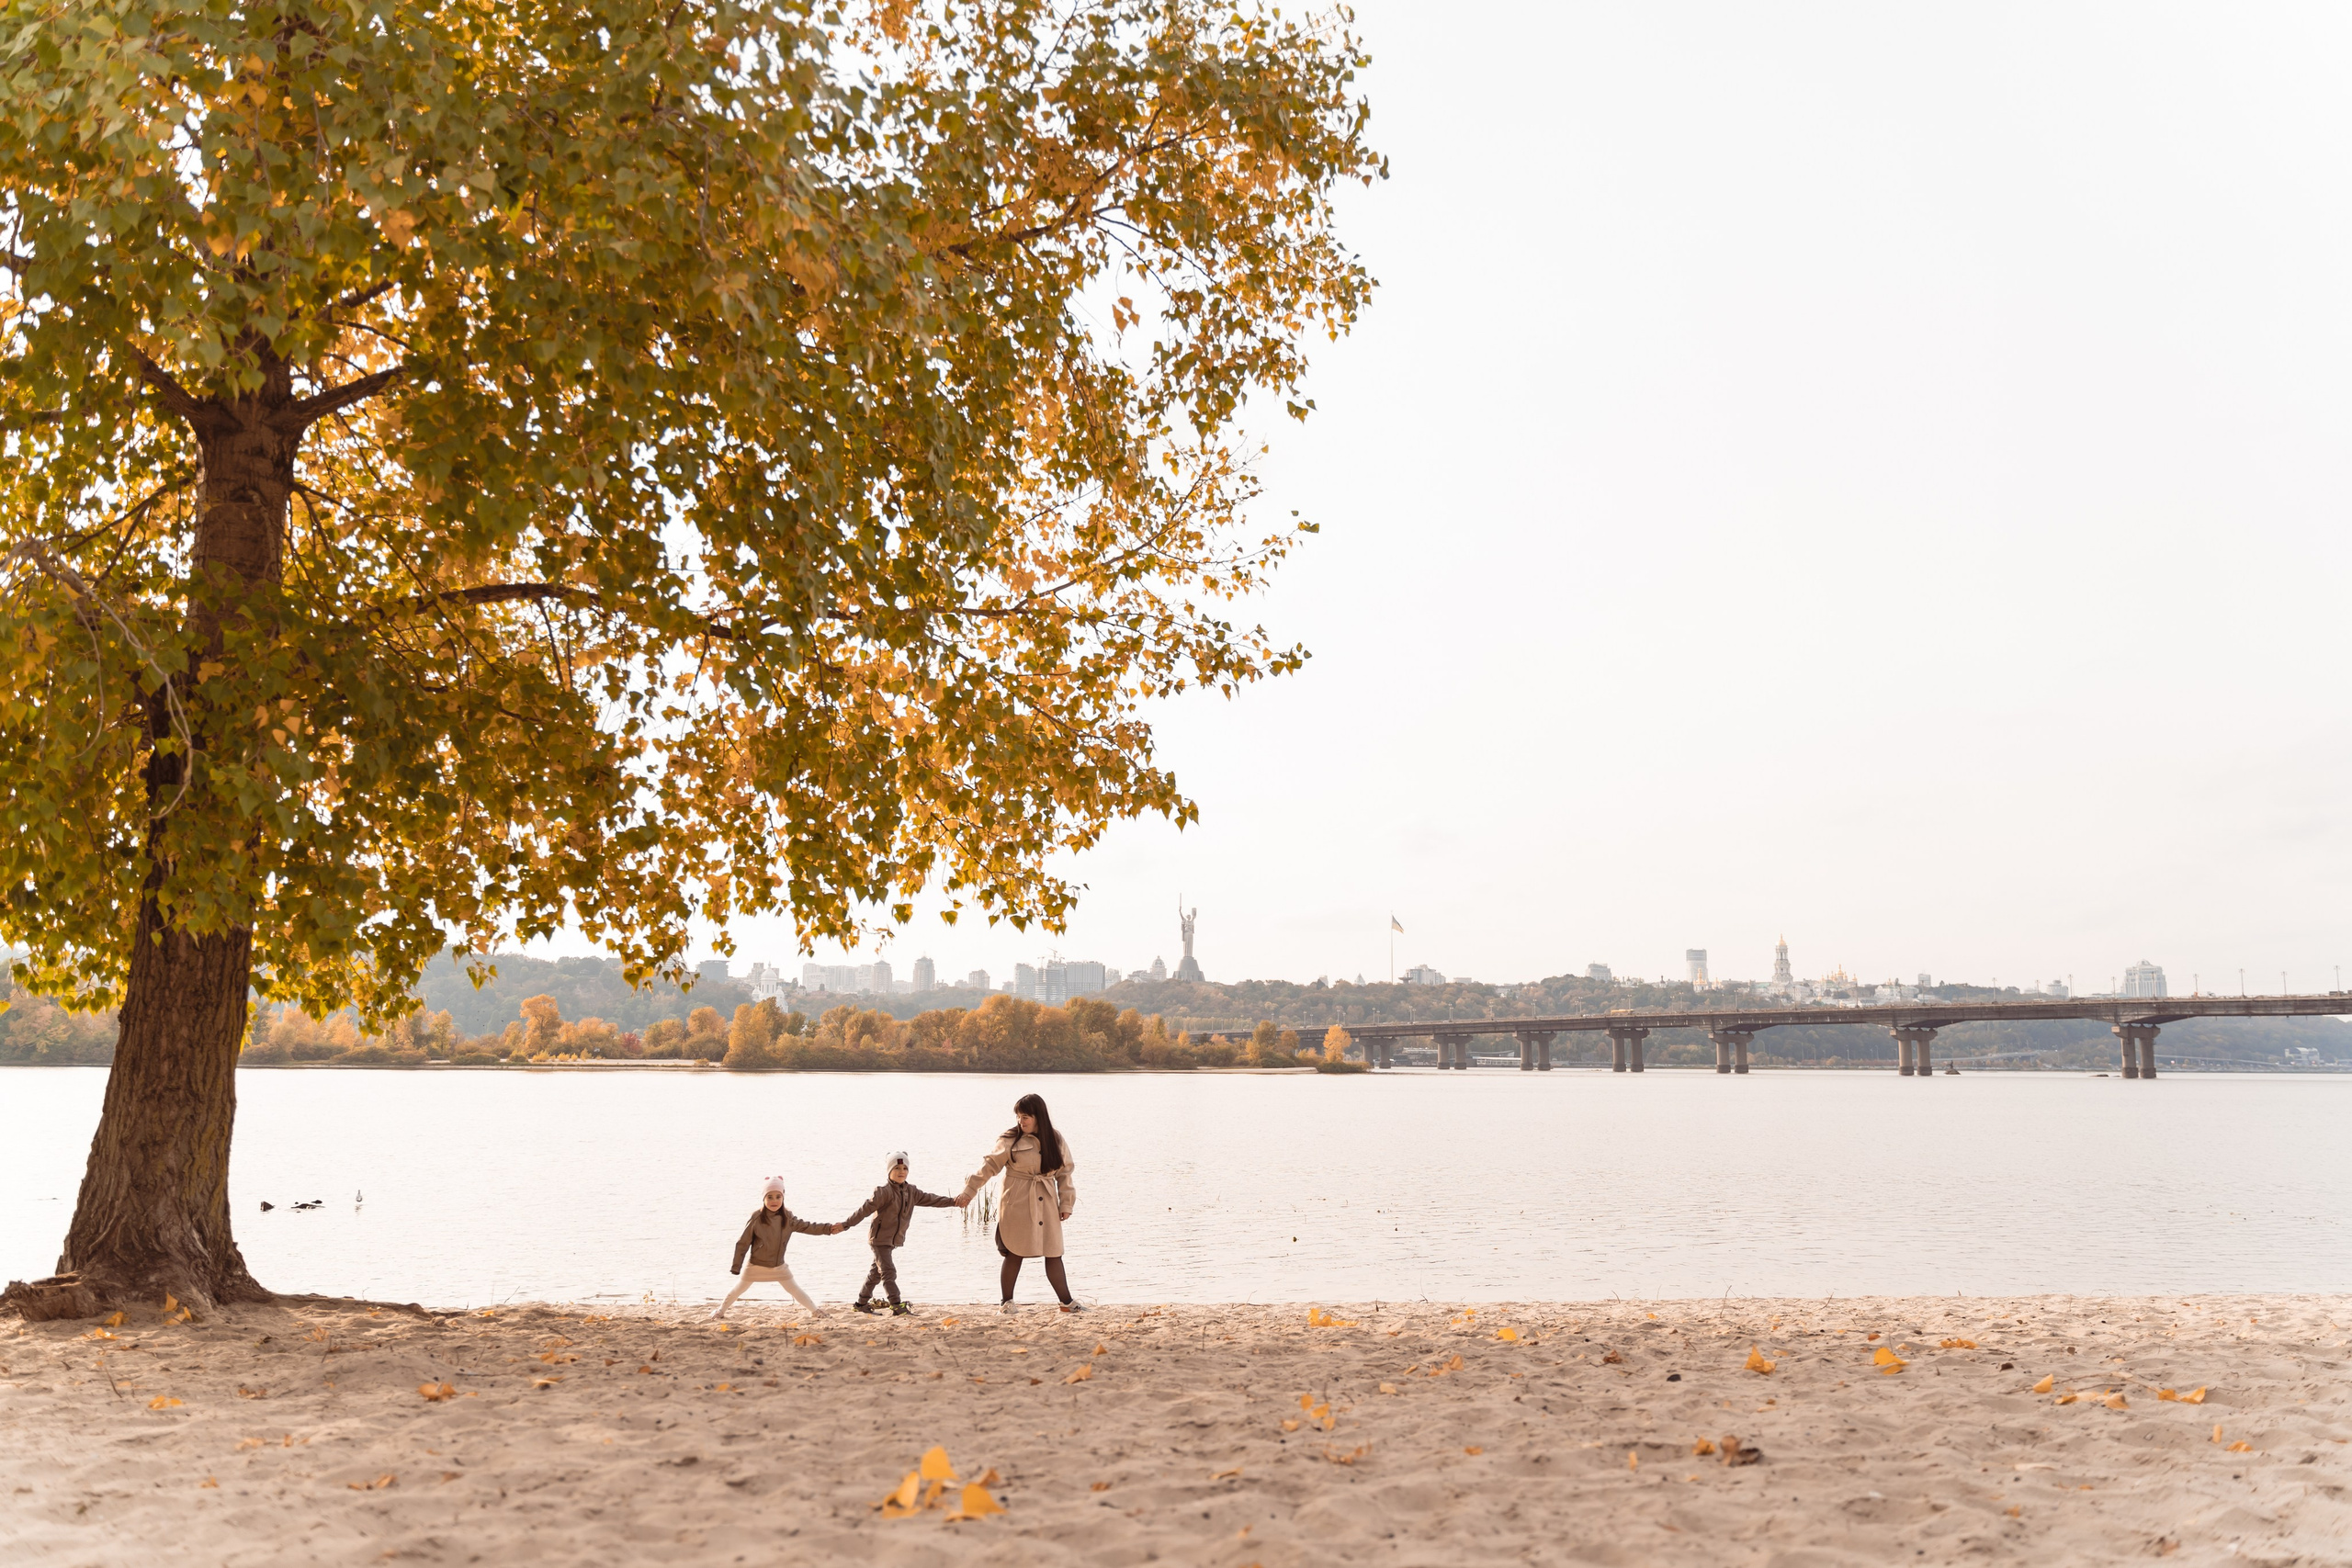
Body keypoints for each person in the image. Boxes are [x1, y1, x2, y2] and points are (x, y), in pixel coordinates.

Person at [956, 1092, 1080, 1312]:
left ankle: (1067, 1302)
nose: (1020, 1121)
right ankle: (1006, 1303)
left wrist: (1066, 1204)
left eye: (1025, 1117)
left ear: (1038, 1116)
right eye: (1018, 1117)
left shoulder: (1056, 1139)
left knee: (1054, 1251)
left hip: (1047, 1202)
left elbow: (1065, 1173)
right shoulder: (1009, 1139)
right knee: (1015, 1251)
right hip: (1017, 1202)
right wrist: (969, 1191)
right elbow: (989, 1166)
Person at [836, 1150, 958, 1315]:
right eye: (897, 1168)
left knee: (875, 1274)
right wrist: (845, 1225)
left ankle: (860, 1304)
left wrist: (954, 1202)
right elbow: (863, 1211)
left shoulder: (911, 1191)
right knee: (889, 1272)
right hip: (879, 1240)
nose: (901, 1172)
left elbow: (932, 1199)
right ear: (889, 1171)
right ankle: (896, 1305)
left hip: (892, 1240)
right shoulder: (883, 1192)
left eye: (905, 1168)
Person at [711, 1176, 841, 1320]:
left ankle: (815, 1311)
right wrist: (736, 1266)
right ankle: (720, 1311)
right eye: (770, 1197)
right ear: (764, 1198)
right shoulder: (757, 1217)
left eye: (778, 1197)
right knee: (738, 1289)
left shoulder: (788, 1218)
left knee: (794, 1289)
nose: (774, 1201)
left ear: (783, 1198)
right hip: (756, 1264)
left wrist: (828, 1229)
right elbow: (743, 1242)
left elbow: (807, 1227)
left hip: (778, 1266)